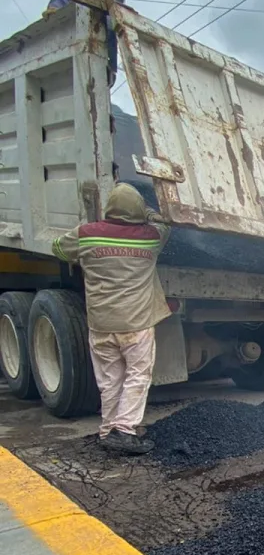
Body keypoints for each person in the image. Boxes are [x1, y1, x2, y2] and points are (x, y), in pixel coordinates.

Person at [52, 183, 170, 455]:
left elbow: (58, 249)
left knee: (110, 379)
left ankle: (108, 430)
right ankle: (125, 431)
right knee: (137, 375)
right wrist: (150, 213)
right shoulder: (151, 238)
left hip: (101, 324)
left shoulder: (87, 236)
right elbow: (166, 226)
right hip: (136, 325)